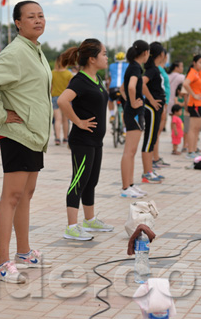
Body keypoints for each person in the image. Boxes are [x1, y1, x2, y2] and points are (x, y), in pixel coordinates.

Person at [0, 0, 53, 284]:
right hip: (17, 135)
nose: (38, 20)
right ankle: (3, 262)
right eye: (31, 17)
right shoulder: (17, 52)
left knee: (26, 194)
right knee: (11, 197)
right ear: (18, 23)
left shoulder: (35, 50)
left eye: (41, 15)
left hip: (33, 135)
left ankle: (24, 251)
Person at [56, 38, 114, 241]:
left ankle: (89, 220)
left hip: (96, 141)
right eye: (104, 54)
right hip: (82, 140)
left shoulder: (96, 80)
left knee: (92, 181)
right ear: (92, 58)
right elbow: (63, 100)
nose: (107, 57)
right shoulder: (79, 80)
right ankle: (72, 226)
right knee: (78, 181)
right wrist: (78, 122)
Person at [119, 40, 150, 198]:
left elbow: (122, 89)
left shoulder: (133, 67)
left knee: (132, 151)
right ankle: (126, 188)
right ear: (145, 53)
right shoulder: (136, 68)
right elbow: (130, 87)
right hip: (134, 114)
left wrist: (128, 103)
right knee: (129, 151)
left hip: (133, 112)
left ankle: (130, 184)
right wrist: (132, 103)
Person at [141, 42, 166, 184]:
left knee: (152, 140)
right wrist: (151, 99)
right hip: (151, 108)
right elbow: (142, 82)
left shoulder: (155, 69)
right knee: (149, 140)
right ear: (161, 54)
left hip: (156, 108)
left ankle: (149, 170)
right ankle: (146, 173)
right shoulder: (152, 70)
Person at [182, 54, 201, 159]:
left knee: (197, 129)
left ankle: (194, 150)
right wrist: (193, 94)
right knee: (192, 129)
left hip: (200, 104)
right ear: (194, 63)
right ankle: (190, 151)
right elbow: (185, 84)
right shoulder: (192, 73)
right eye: (200, 62)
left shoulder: (199, 73)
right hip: (194, 104)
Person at [152, 49, 171, 169]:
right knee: (156, 132)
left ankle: (156, 157)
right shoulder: (156, 69)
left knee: (158, 133)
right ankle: (154, 158)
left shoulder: (161, 68)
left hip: (165, 102)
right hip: (161, 103)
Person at [51, 54, 73, 145]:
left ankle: (57, 138)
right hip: (66, 99)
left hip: (55, 97)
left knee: (57, 119)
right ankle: (65, 138)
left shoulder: (52, 73)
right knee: (65, 120)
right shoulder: (69, 74)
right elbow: (71, 87)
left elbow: (50, 87)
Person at [108, 51, 129, 122]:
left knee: (110, 100)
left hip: (113, 88)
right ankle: (124, 129)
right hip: (124, 88)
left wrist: (108, 89)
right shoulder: (128, 65)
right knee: (125, 107)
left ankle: (112, 115)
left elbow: (110, 79)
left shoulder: (111, 66)